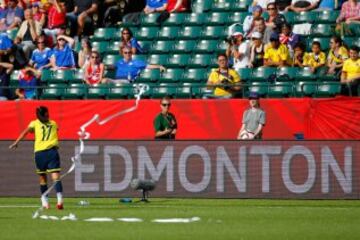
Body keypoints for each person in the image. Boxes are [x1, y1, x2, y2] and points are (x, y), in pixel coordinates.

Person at [9, 106, 64, 210]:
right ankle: (57, 200)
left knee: (44, 178)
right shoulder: (53, 123)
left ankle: (47, 202)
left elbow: (25, 132)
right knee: (54, 177)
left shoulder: (34, 123)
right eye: (46, 115)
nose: (48, 116)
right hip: (50, 152)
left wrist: (16, 142)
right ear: (41, 115)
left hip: (41, 153)